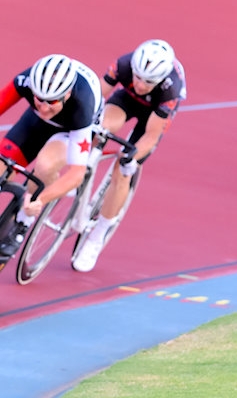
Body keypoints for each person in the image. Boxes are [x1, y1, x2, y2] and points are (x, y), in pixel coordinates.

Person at [0, 53, 104, 256]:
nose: (45, 106)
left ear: (65, 96)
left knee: (45, 166)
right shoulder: (27, 81)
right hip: (35, 122)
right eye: (40, 99)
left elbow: (76, 174)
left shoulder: (83, 105)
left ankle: (23, 221)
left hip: (71, 130)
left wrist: (41, 199)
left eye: (52, 101)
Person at [72, 39, 187, 273]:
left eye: (148, 81)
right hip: (126, 101)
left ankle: (98, 235)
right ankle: (79, 175)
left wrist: (130, 159)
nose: (141, 84)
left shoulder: (170, 90)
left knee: (123, 168)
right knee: (99, 127)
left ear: (159, 80)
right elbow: (96, 99)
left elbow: (151, 136)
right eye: (138, 77)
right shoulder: (123, 65)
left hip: (153, 115)